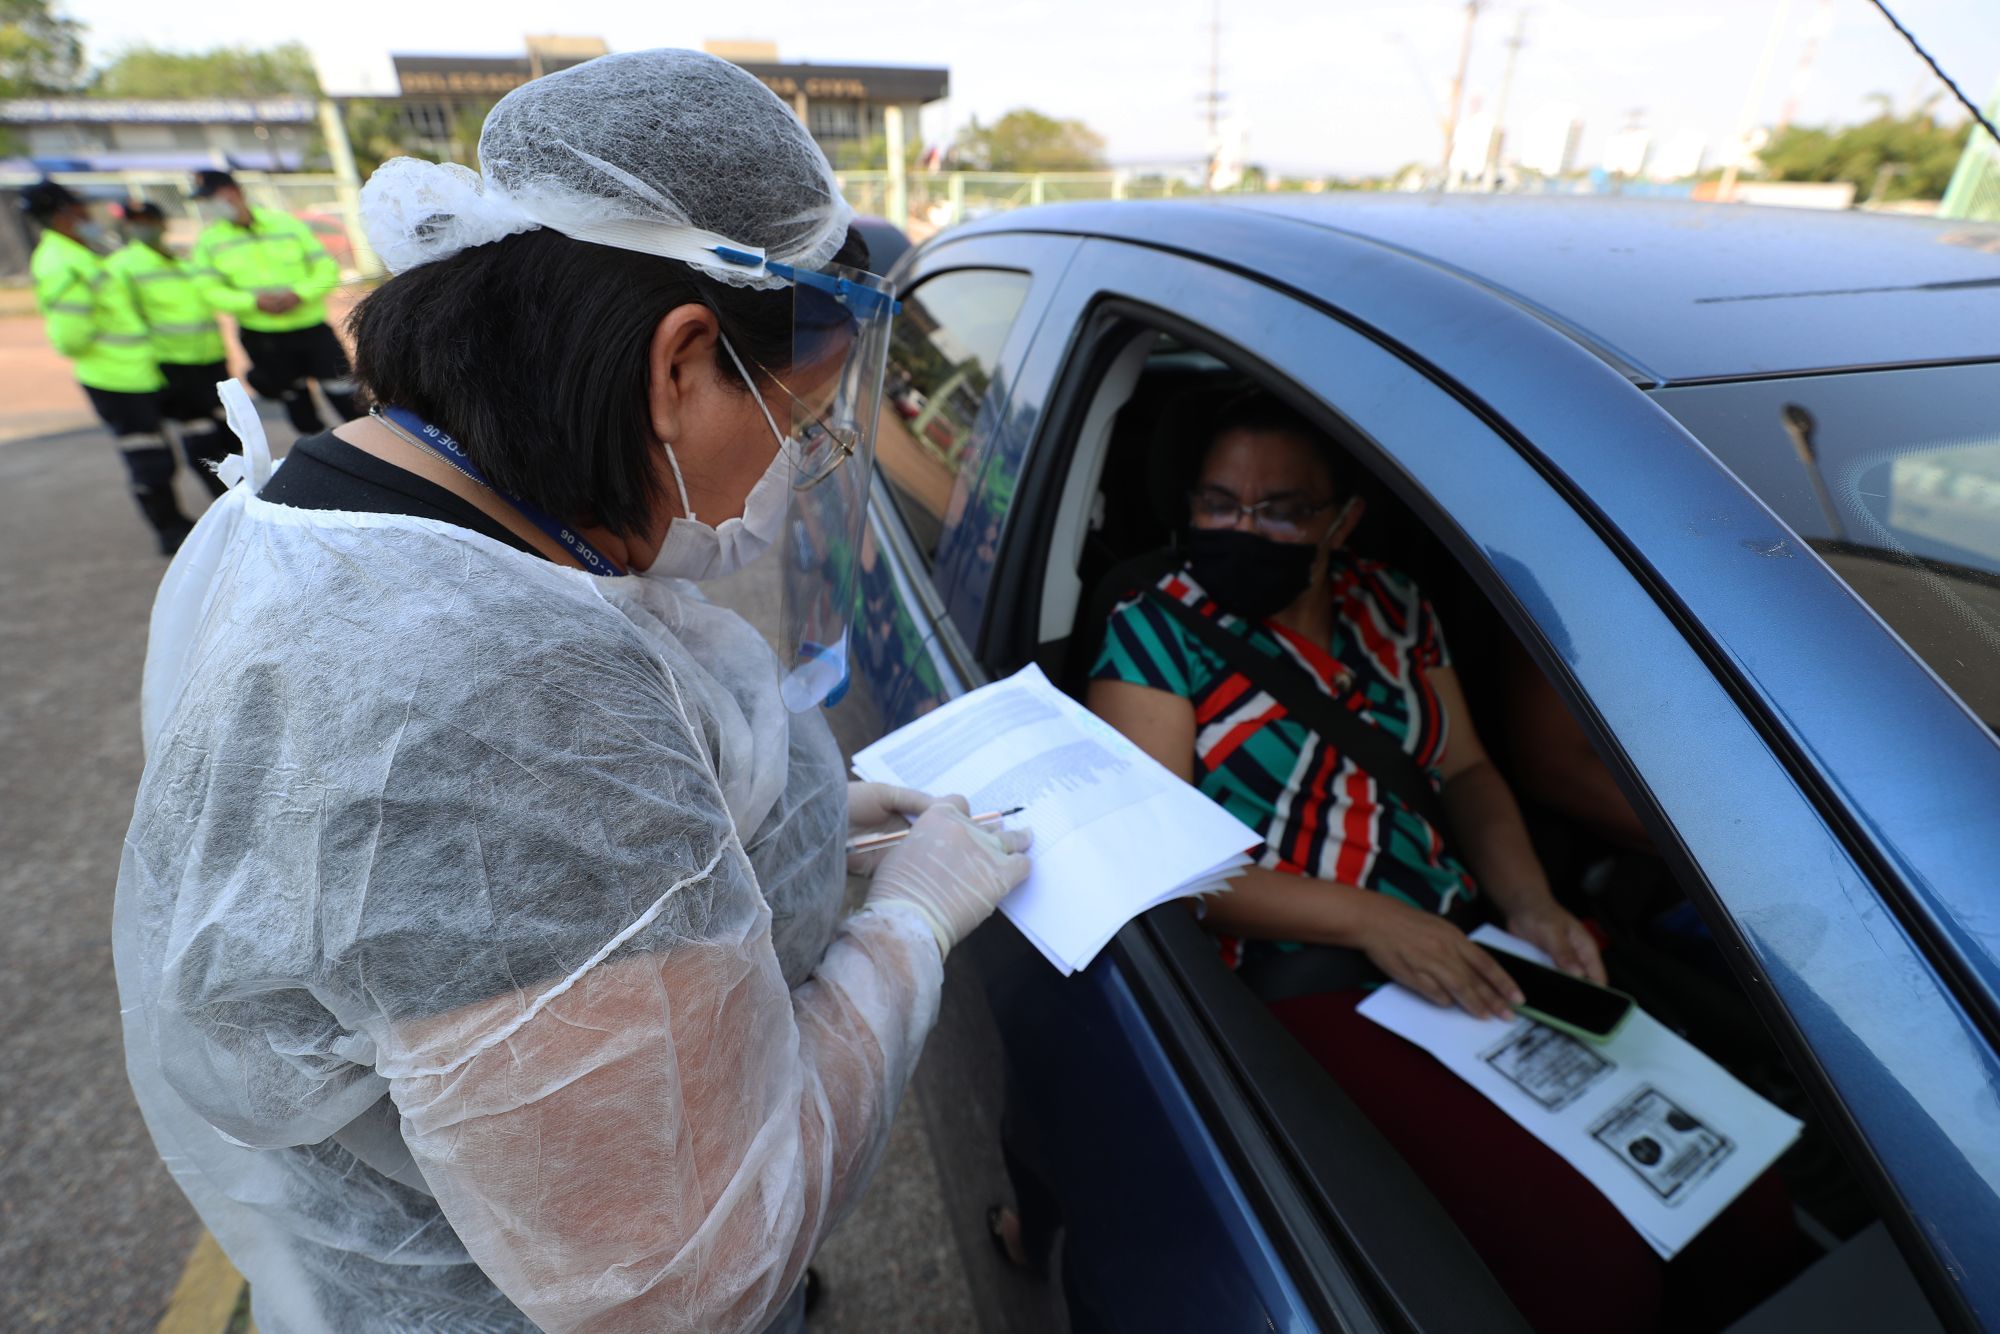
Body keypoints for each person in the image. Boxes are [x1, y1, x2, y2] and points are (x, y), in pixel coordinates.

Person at [116, 50, 1030, 1334]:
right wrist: (911, 928)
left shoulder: (335, 506)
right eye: (801, 416)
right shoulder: (497, 696)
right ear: (677, 363)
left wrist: (768, 823)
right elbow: (685, 1272)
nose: (798, 462)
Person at [1065, 390, 1809, 1333]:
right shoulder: (1153, 627)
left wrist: (1533, 904)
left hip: (1468, 941)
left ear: (1342, 520)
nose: (1242, 529)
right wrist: (1372, 918)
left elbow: (1463, 771)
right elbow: (1158, 863)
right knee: (1588, 1268)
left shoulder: (1392, 605)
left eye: (1282, 508)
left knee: (1741, 1206)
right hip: (1300, 970)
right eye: (1218, 504)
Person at [23, 180, 193, 552]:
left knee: (157, 455)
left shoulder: (77, 253)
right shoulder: (61, 262)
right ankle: (169, 532)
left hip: (132, 372)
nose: (88, 215)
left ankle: (174, 524)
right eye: (80, 209)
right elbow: (70, 336)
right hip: (114, 377)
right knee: (148, 458)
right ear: (62, 214)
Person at [188, 168, 359, 433]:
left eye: (213, 197)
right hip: (264, 337)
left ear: (233, 192)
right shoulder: (210, 241)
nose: (210, 206)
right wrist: (251, 302)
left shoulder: (286, 225)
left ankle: (372, 455)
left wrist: (299, 294)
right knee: (298, 407)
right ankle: (323, 461)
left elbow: (326, 267)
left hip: (311, 329)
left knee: (348, 398)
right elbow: (207, 289)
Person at [107, 200, 232, 498]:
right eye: (136, 221)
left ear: (162, 223)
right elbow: (125, 319)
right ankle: (224, 499)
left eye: (149, 219)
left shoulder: (180, 260)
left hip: (209, 358)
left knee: (225, 432)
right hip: (172, 363)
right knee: (199, 436)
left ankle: (239, 493)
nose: (144, 226)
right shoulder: (122, 265)